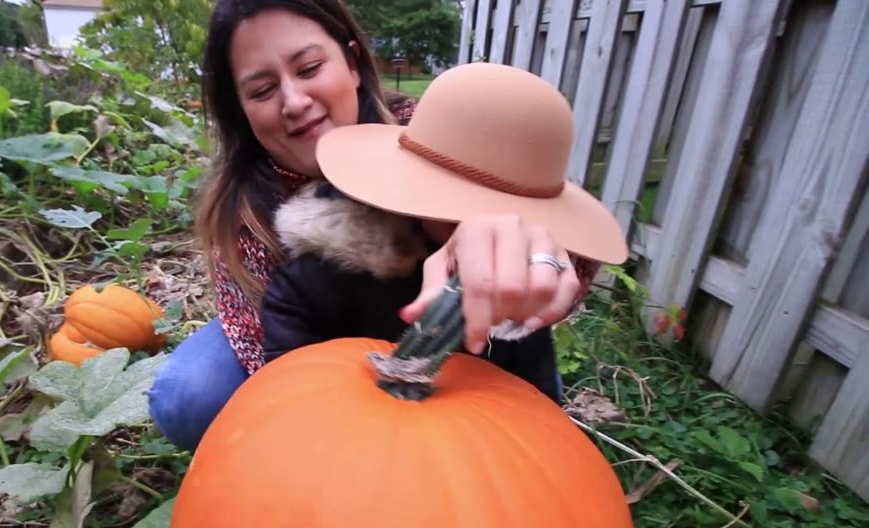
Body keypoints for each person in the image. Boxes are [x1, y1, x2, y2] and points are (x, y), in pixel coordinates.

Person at [147, 0, 612, 451]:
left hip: (460, 357)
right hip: (324, 352)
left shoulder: (436, 135)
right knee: (192, 395)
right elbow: (279, 367)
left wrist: (514, 242)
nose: (294, 101)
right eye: (263, 90)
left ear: (351, 63)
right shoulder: (246, 212)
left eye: (309, 68)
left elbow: (554, 236)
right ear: (242, 109)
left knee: (528, 424)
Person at [261, 62, 628, 401]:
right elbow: (289, 392)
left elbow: (535, 402)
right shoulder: (321, 278)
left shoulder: (517, 288)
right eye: (460, 211)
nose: (478, 225)